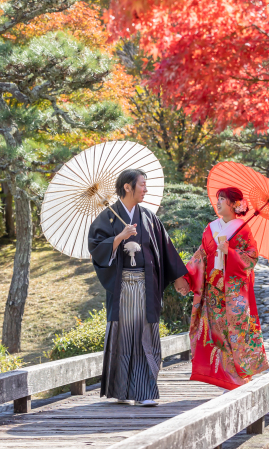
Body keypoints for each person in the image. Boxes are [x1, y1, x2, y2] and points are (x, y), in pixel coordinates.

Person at [87, 168, 188, 406]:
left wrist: (178, 277)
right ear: (127, 187)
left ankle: (144, 391)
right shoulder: (106, 218)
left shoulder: (148, 217)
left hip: (146, 286)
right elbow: (97, 250)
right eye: (142, 184)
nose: (146, 189)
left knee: (144, 335)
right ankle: (123, 390)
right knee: (123, 336)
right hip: (122, 288)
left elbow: (165, 248)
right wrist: (119, 237)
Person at [173, 187, 269, 390]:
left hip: (234, 292)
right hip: (213, 290)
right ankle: (226, 376)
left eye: (223, 199)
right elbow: (200, 256)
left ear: (235, 204)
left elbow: (251, 259)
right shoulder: (211, 228)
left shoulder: (243, 229)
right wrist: (186, 278)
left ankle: (239, 376)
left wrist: (231, 253)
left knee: (236, 331)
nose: (218, 203)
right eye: (218, 199)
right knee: (217, 334)